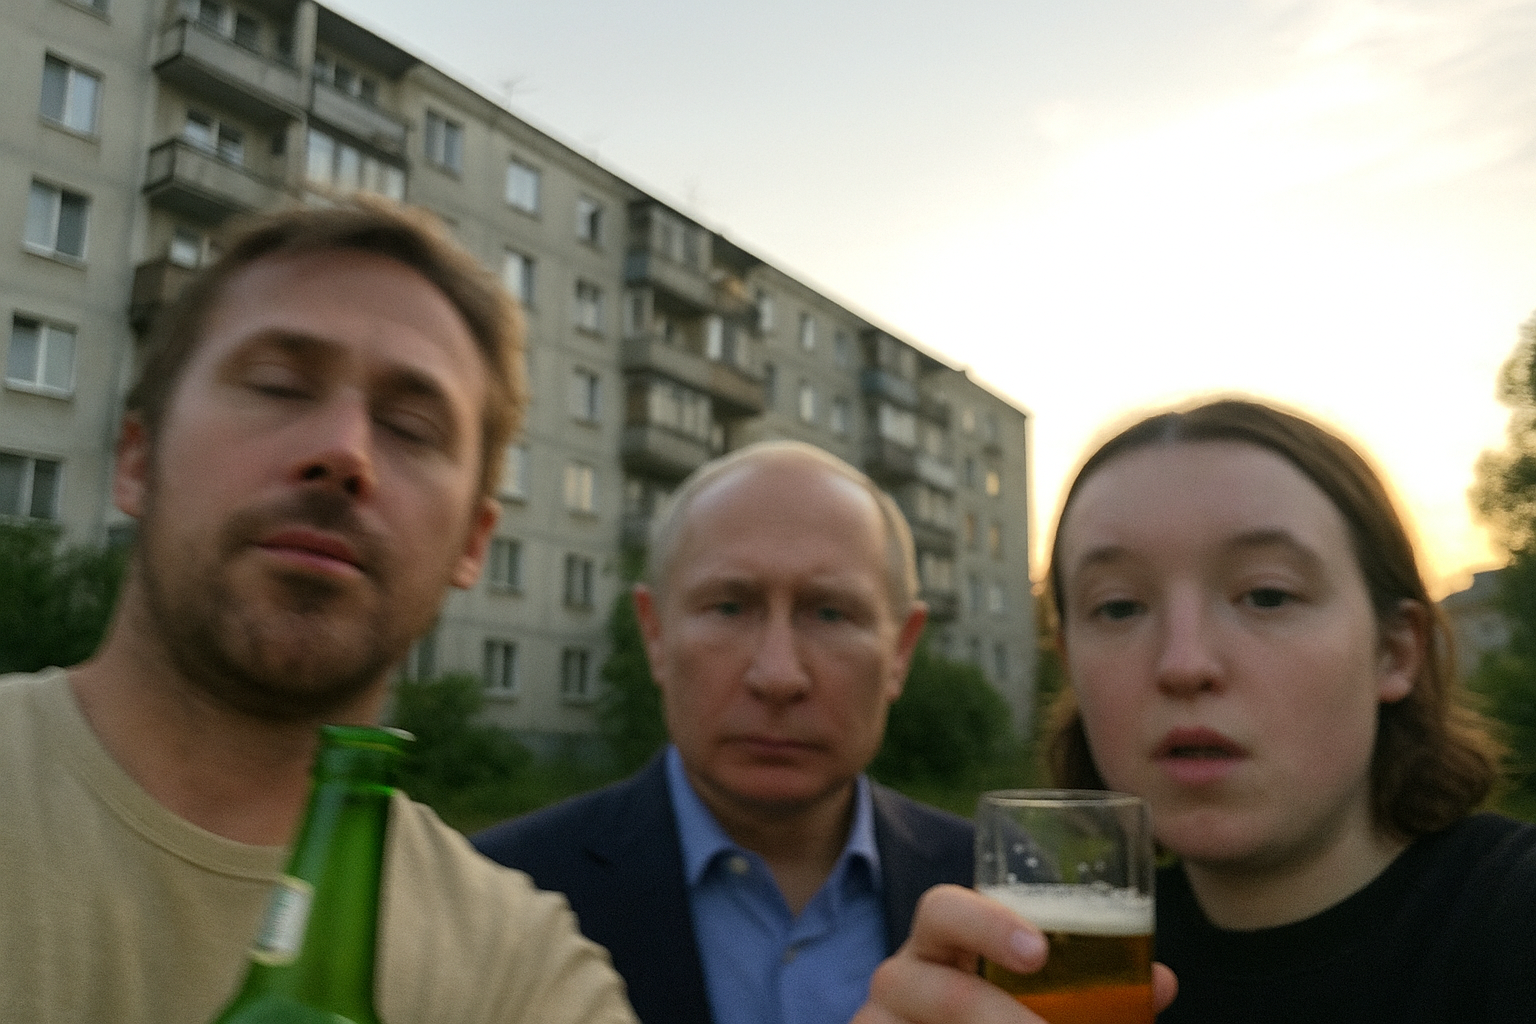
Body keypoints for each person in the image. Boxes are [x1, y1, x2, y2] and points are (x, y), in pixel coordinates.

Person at [0, 198, 637, 1024]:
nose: (344, 452)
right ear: (137, 460)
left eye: (410, 426)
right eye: (277, 386)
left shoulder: (523, 973)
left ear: (473, 543)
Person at [853, 396, 1536, 1024]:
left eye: (1267, 595)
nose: (1183, 664)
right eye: (1119, 606)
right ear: (1069, 664)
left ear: (1396, 652)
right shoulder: (1030, 969)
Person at [474, 441, 976, 1024]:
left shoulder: (995, 898)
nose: (778, 676)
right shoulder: (494, 899)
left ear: (901, 651)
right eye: (729, 608)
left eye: (830, 613)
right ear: (655, 635)